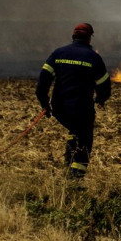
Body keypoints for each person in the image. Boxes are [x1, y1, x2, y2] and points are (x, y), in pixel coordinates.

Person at [36, 23, 111, 178]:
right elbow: (104, 85)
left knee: (75, 131)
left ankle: (67, 168)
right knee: (84, 140)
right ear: (89, 39)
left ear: (73, 37)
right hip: (82, 109)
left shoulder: (58, 53)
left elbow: (43, 81)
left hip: (60, 108)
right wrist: (101, 99)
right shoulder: (94, 58)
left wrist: (45, 103)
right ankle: (74, 180)